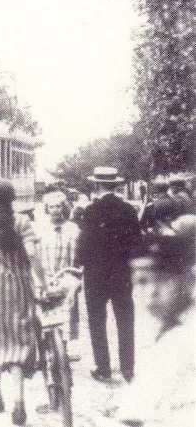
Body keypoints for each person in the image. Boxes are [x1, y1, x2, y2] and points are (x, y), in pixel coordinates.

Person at [98, 215, 195, 426]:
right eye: (141, 282)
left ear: (188, 279)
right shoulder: (171, 329)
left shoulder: (184, 337)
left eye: (163, 280)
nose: (151, 292)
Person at [0, 179, 46, 426]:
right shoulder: (22, 222)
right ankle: (18, 402)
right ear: (14, 198)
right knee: (16, 344)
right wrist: (43, 280)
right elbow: (32, 254)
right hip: (16, 287)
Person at [77, 166, 144, 383]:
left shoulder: (90, 211)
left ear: (96, 185)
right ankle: (128, 369)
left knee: (97, 321)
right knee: (125, 319)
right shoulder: (128, 210)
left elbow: (84, 244)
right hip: (121, 273)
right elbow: (137, 244)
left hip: (95, 275)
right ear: (116, 185)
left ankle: (104, 368)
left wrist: (80, 264)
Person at [35, 190, 81, 353]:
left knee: (67, 313)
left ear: (64, 208)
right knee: (42, 314)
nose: (55, 210)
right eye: (51, 207)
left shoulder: (72, 228)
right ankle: (42, 351)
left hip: (66, 276)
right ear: (46, 209)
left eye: (58, 207)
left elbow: (79, 253)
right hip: (45, 277)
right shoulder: (39, 229)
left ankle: (65, 347)